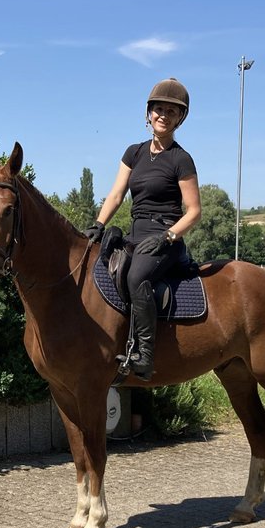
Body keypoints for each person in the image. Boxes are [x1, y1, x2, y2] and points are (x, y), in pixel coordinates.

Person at [84, 78, 202, 379]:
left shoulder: (181, 159)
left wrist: (168, 237)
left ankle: (144, 355)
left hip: (166, 238)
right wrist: (99, 223)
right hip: (136, 234)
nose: (164, 115)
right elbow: (116, 194)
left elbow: (194, 212)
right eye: (159, 109)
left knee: (138, 275)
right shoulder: (134, 153)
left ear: (180, 119)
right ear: (149, 114)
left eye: (172, 112)